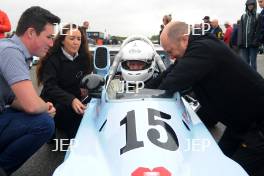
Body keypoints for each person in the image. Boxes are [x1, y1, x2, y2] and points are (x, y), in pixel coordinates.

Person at [147, 21, 264, 175]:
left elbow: (170, 84)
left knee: (229, 172)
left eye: (170, 51)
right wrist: (144, 90)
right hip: (240, 125)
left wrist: (151, 95)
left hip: (257, 129)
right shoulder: (195, 48)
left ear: (184, 39)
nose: (171, 56)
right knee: (214, 162)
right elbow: (170, 72)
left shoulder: (203, 49)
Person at [0, 6, 60, 175]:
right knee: (43, 123)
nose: (51, 43)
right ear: (31, 33)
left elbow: (11, 99)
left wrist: (40, 106)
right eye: (48, 37)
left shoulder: (10, 48)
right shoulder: (11, 52)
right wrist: (46, 107)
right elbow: (32, 105)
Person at [36, 24, 93, 139]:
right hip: (54, 100)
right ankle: (51, 129)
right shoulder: (51, 59)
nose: (76, 42)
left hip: (75, 98)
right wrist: (71, 100)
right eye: (72, 39)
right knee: (53, 130)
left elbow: (88, 77)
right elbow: (50, 87)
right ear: (62, 40)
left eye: (79, 39)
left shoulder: (86, 57)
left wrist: (86, 88)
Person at [238, 0, 259, 71]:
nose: (250, 6)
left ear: (254, 5)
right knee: (245, 64)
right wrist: (239, 43)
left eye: (251, 4)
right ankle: (248, 80)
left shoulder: (257, 16)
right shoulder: (243, 16)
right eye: (248, 5)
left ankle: (255, 81)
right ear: (246, 6)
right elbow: (240, 30)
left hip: (253, 44)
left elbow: (259, 30)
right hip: (244, 44)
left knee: (253, 64)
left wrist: (256, 41)